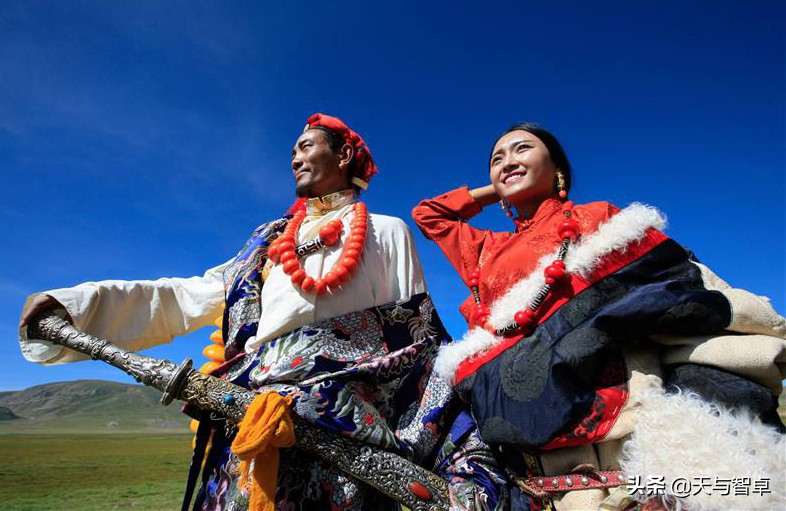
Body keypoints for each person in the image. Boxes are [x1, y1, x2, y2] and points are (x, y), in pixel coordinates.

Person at [19, 114, 506, 510]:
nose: (295, 155)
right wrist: (78, 306)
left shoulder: (386, 231)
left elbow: (415, 344)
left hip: (351, 430)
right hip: (252, 417)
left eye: (308, 145)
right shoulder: (266, 243)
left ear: (343, 155)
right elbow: (187, 296)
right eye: (292, 148)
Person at [413, 123, 786, 510]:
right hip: (526, 440)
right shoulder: (485, 249)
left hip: (621, 414)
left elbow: (659, 294)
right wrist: (505, 186)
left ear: (557, 166)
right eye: (497, 159)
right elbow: (429, 215)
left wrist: (536, 178)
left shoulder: (597, 217)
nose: (507, 162)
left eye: (522, 149)